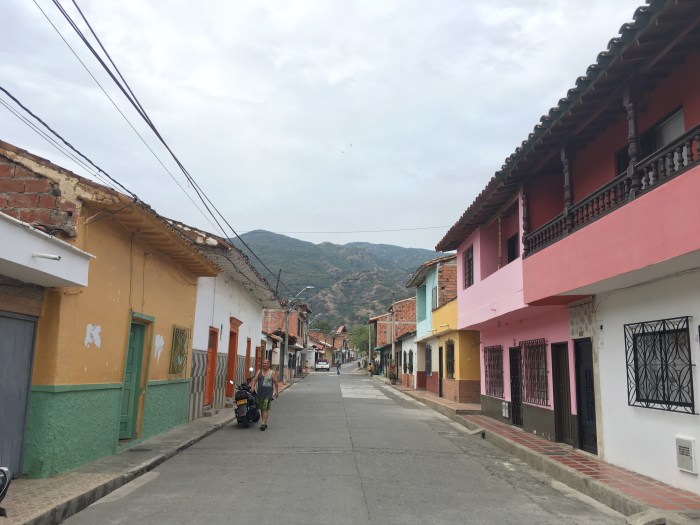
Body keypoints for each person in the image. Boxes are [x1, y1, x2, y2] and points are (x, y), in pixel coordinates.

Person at [249, 359, 278, 431]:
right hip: (260, 393)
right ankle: (264, 422)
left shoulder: (272, 373)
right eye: (263, 363)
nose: (264, 365)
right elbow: (255, 379)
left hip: (268, 394)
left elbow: (276, 382)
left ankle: (263, 423)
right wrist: (252, 386)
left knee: (265, 408)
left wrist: (276, 392)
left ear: (269, 364)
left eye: (265, 363)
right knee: (262, 409)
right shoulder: (259, 372)